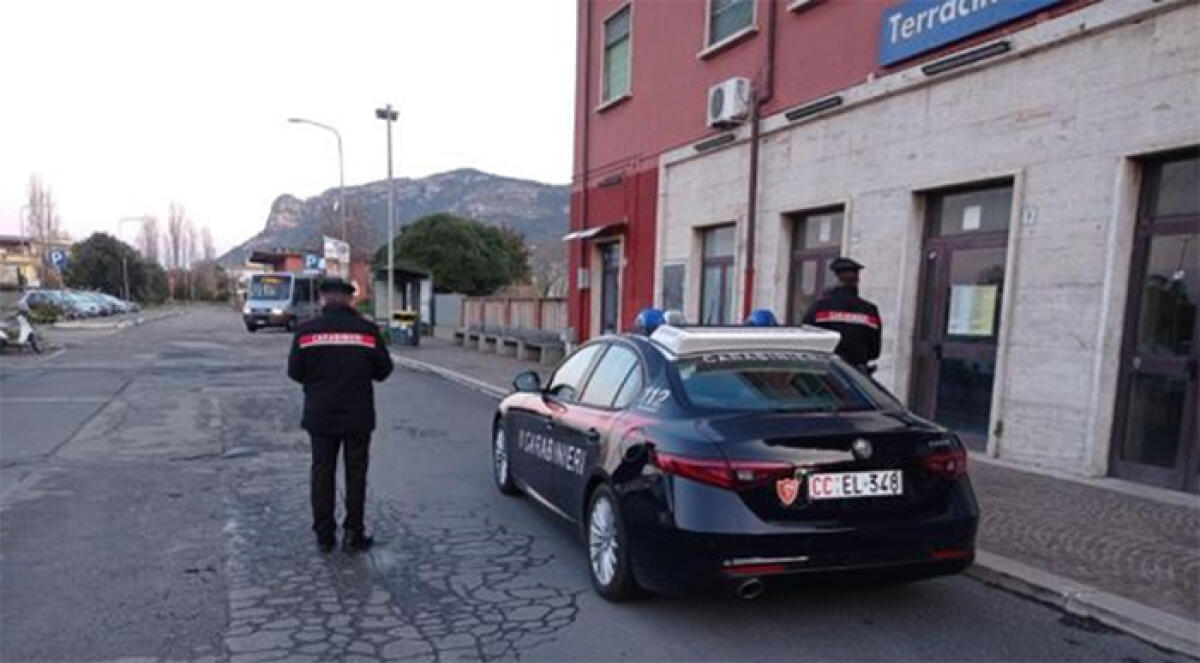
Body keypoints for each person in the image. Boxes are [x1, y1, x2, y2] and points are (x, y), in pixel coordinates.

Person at [287, 277, 393, 554]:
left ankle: (324, 535)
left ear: (322, 298)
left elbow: (295, 372)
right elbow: (383, 371)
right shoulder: (367, 331)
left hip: (320, 415)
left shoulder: (306, 331)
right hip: (357, 415)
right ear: (350, 299)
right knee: (356, 473)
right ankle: (353, 533)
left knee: (322, 472)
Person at [802, 257, 881, 371]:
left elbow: (806, 340)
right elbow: (874, 352)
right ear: (857, 280)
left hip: (825, 374)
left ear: (836, 279)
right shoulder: (870, 310)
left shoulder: (820, 308)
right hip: (857, 375)